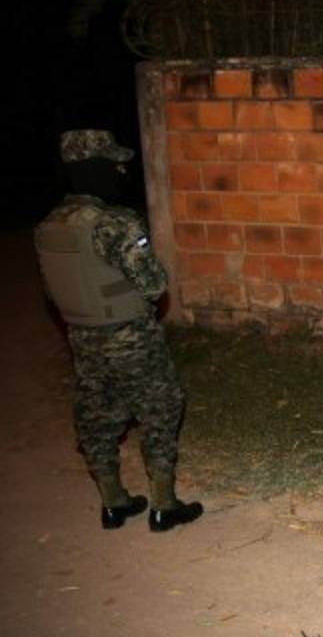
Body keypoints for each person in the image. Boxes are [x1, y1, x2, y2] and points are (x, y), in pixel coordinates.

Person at [34, 129, 203, 532]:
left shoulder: (48, 226)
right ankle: (164, 505)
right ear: (95, 169)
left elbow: (52, 291)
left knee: (97, 414)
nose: (120, 171)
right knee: (160, 406)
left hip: (82, 336)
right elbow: (154, 284)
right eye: (113, 164)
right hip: (129, 335)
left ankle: (113, 502)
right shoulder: (115, 223)